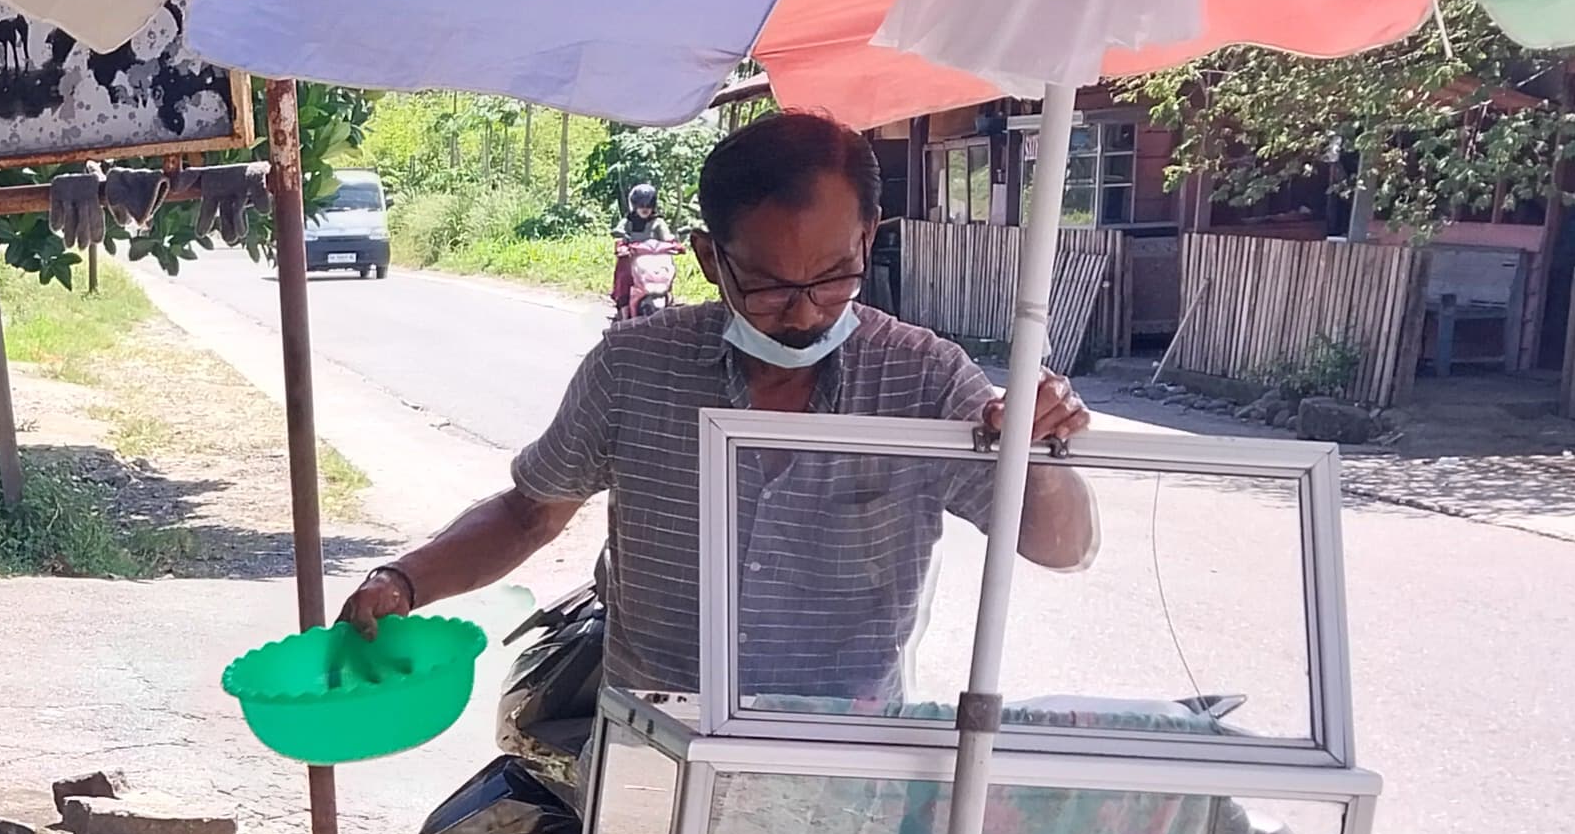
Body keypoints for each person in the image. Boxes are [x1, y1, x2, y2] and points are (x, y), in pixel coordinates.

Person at [351, 110, 1093, 701]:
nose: (805, 314)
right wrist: (405, 581)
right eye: (770, 286)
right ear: (708, 259)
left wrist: (1040, 444)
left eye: (835, 277)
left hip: (842, 762)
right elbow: (529, 512)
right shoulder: (634, 369)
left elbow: (1061, 546)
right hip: (661, 748)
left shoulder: (924, 381)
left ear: (868, 236)